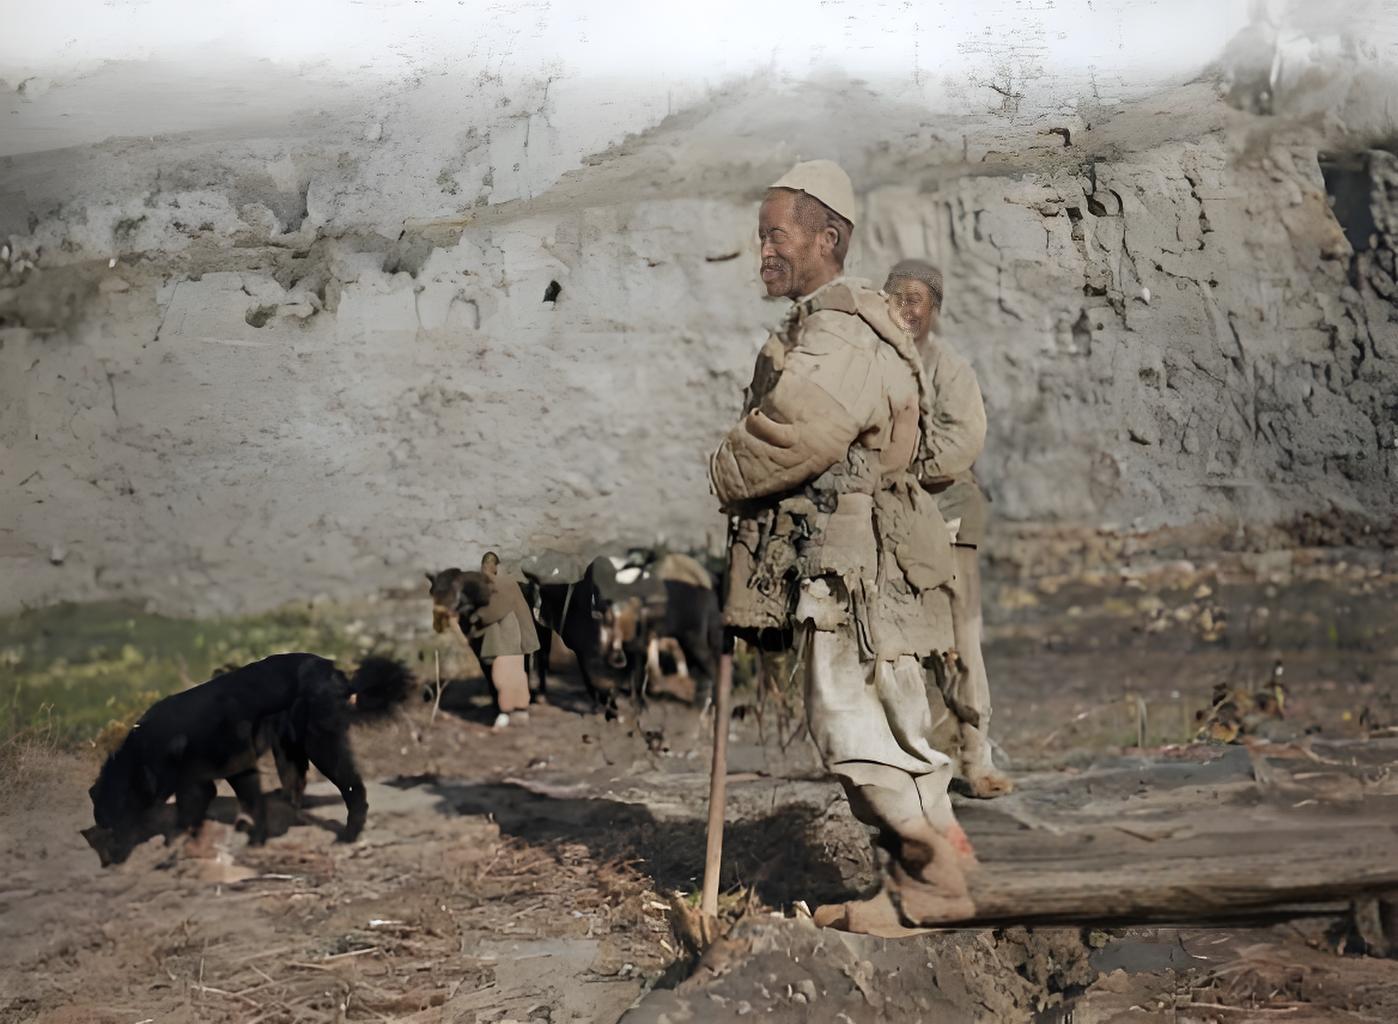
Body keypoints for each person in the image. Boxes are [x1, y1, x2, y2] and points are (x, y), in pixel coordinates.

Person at [709, 160, 976, 935]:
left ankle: (933, 880)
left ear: (828, 239)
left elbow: (801, 430)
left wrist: (724, 467)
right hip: (861, 564)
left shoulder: (841, 332)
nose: (763, 251)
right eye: (761, 236)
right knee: (887, 722)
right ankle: (935, 874)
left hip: (857, 569)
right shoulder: (839, 324)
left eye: (776, 235)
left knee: (854, 725)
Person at [886, 259, 1012, 797]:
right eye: (896, 298)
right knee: (900, 640)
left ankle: (975, 756)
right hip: (892, 519)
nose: (905, 309)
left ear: (933, 309)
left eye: (916, 299)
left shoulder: (949, 367)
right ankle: (916, 758)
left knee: (961, 636)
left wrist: (904, 468)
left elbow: (964, 439)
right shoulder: (874, 364)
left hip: (949, 512)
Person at [465, 552, 538, 730]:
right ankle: (521, 710)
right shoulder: (510, 582)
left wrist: (476, 617)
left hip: (500, 636)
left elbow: (493, 610)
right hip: (516, 635)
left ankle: (505, 713)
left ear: (485, 567)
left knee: (501, 676)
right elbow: (522, 610)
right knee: (517, 673)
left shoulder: (490, 584)